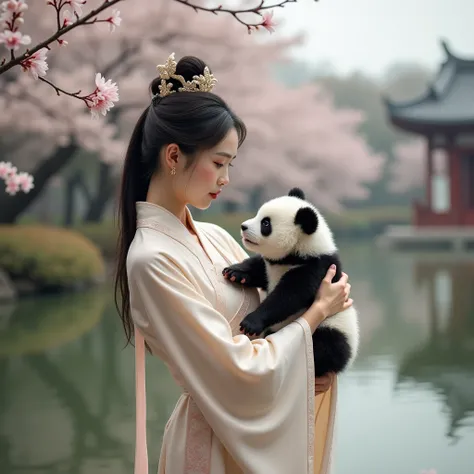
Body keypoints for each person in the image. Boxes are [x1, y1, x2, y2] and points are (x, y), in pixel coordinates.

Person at [114, 53, 353, 474]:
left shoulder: (215, 237)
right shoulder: (151, 260)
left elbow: (275, 312)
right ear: (173, 157)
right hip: (211, 446)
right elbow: (234, 371)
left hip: (251, 429)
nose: (226, 179)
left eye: (230, 165)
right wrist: (316, 315)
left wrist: (313, 363)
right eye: (219, 163)